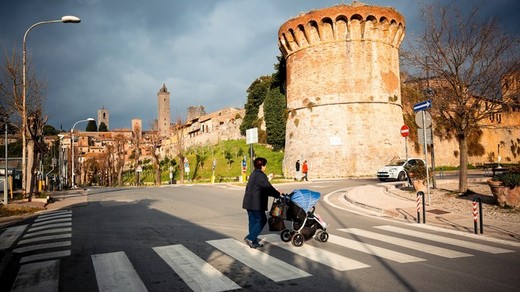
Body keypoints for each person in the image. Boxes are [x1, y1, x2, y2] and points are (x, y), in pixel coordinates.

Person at [242, 157, 282, 248]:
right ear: (262, 166)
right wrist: (278, 194)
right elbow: (268, 188)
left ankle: (253, 241)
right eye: (265, 165)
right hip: (257, 204)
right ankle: (250, 238)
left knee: (253, 222)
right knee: (262, 220)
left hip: (249, 202)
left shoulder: (253, 174)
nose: (265, 167)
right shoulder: (261, 175)